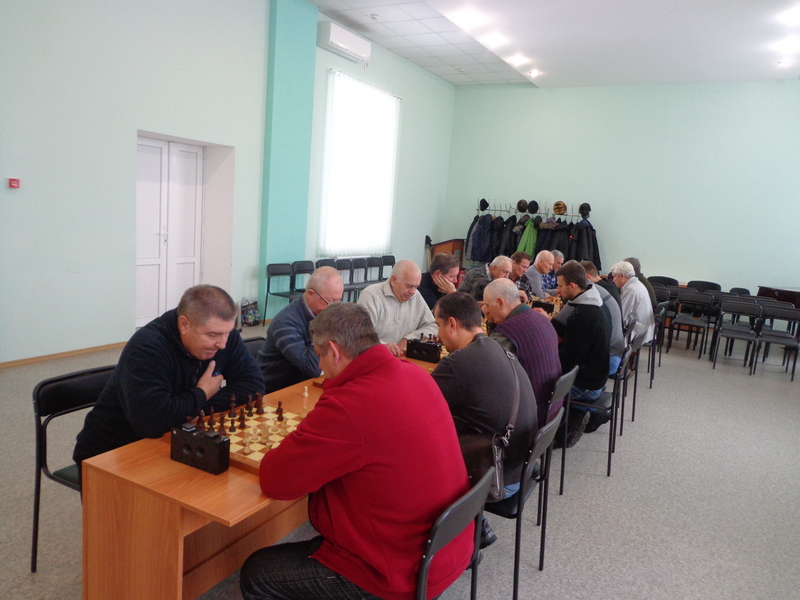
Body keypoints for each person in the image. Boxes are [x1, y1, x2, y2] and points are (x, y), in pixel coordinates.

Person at [239, 303, 472, 600]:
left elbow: (275, 480)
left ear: (334, 352)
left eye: (319, 354)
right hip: (447, 547)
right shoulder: (416, 374)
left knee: (257, 573)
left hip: (397, 571)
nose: (320, 364)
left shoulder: (349, 404)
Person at [73, 285, 264, 467]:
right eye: (212, 335)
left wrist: (192, 410)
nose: (222, 344)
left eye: (227, 333)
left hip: (176, 440)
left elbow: (253, 386)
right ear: (184, 324)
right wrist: (202, 393)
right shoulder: (147, 347)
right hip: (111, 452)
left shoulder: (224, 335)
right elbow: (152, 424)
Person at [432, 293, 538, 501]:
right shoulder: (498, 348)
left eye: (438, 326)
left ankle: (459, 516)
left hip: (498, 478)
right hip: (522, 465)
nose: (438, 335)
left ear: (452, 324)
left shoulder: (458, 363)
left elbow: (415, 405)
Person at [483, 278, 562, 426]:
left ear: (500, 303)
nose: (485, 310)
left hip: (529, 415)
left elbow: (482, 364)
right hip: (550, 408)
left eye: (487, 305)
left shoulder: (509, 332)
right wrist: (492, 321)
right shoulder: (540, 317)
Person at [551, 261, 612, 443]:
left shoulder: (583, 315)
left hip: (587, 386)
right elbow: (573, 334)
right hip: (597, 377)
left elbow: (567, 362)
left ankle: (552, 434)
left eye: (560, 286)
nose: (558, 291)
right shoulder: (597, 303)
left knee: (538, 389)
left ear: (572, 286)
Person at [257, 266, 343, 393]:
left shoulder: (322, 313)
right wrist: (324, 329)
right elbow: (311, 368)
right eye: (330, 302)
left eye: (338, 301)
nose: (334, 309)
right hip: (276, 391)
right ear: (311, 294)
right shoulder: (285, 323)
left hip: (305, 385)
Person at [357, 260, 438, 356]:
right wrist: (383, 346)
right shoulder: (371, 295)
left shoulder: (416, 295)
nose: (412, 292)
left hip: (402, 356)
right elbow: (360, 335)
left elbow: (432, 326)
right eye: (408, 286)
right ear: (393, 280)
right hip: (376, 356)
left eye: (416, 287)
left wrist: (409, 339)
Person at [579, 260, 626, 374]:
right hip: (617, 348)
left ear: (587, 277)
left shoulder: (594, 291)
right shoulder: (610, 286)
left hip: (609, 356)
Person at [612, 260, 655, 344]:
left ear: (622, 276)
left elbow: (620, 315)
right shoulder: (637, 284)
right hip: (643, 329)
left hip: (636, 331)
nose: (613, 280)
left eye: (614, 277)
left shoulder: (631, 290)